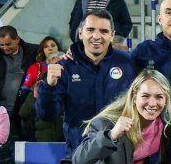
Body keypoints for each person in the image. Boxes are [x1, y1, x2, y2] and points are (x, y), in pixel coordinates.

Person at [38, 11, 136, 150]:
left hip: (119, 152)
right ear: (80, 33)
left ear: (112, 35)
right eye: (90, 30)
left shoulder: (128, 63)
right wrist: (49, 87)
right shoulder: (65, 67)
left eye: (103, 31)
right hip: (79, 153)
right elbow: (47, 115)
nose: (96, 36)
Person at [0, 26, 38, 141]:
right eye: (1, 45)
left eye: (8, 44)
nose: (4, 48)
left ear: (17, 39)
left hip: (25, 110)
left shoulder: (34, 52)